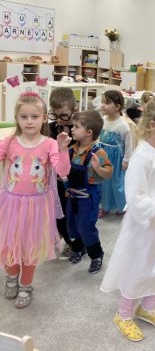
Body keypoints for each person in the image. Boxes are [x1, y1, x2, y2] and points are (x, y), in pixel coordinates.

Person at [100, 95, 155, 342]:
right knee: (137, 267)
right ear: (153, 125)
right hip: (142, 226)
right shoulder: (142, 156)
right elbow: (135, 197)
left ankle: (148, 307)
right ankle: (124, 314)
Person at [0, 92, 71, 308]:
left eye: (34, 116)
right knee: (8, 244)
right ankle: (11, 275)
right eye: (24, 117)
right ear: (17, 118)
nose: (29, 121)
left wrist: (63, 150)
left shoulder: (49, 144)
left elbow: (63, 171)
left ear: (44, 118)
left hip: (37, 207)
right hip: (10, 204)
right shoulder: (9, 142)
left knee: (30, 248)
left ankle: (26, 284)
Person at [65, 110, 112, 274]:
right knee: (72, 225)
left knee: (86, 227)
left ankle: (96, 254)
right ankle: (79, 247)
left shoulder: (98, 152)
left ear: (89, 132)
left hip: (88, 196)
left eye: (76, 126)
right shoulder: (71, 150)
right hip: (71, 195)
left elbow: (109, 172)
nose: (72, 129)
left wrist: (99, 168)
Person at [48, 87, 78, 260]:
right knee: (57, 211)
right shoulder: (51, 128)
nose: (59, 119)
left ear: (74, 110)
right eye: (54, 115)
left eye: (64, 116)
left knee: (72, 212)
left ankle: (74, 241)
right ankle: (65, 237)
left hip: (73, 180)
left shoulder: (80, 130)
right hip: (54, 180)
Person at [98, 90, 133, 217]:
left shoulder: (123, 125)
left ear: (117, 107)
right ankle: (104, 206)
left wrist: (126, 160)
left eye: (107, 103)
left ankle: (121, 205)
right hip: (102, 157)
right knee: (103, 183)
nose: (103, 105)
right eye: (102, 102)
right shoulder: (102, 120)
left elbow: (129, 145)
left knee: (117, 183)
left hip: (116, 160)